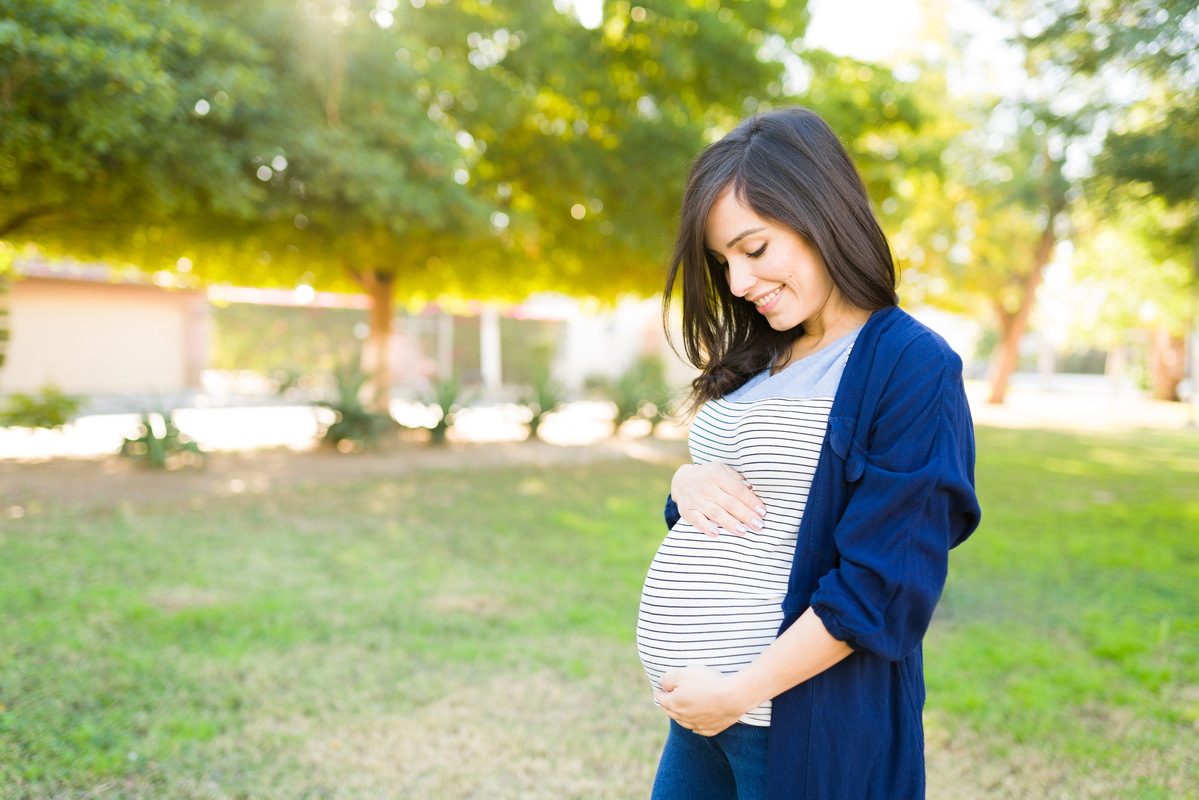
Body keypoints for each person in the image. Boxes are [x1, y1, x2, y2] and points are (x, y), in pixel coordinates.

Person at [635, 106, 981, 800]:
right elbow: (756, 503)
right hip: (704, 715)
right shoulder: (761, 351)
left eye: (753, 249)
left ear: (819, 213)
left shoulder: (909, 366)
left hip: (793, 723)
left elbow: (882, 584)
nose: (736, 283)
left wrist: (736, 692)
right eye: (722, 260)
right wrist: (685, 479)